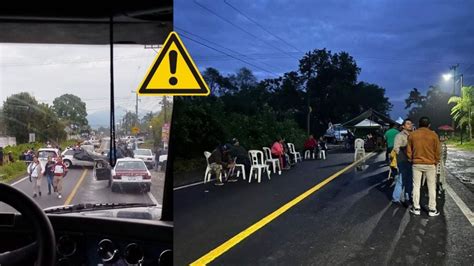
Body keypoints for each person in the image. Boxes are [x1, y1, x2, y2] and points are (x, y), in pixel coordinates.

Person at [407, 117, 441, 217]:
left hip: (416, 164)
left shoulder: (412, 135)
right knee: (431, 187)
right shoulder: (434, 135)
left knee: (416, 186)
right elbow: (437, 151)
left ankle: (416, 208)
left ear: (418, 124)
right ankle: (432, 209)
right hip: (430, 164)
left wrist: (411, 159)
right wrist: (436, 161)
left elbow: (409, 150)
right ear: (429, 125)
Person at [392, 119, 413, 206]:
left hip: (411, 160)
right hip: (403, 160)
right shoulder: (399, 135)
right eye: (408, 124)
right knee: (401, 179)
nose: (410, 125)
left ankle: (408, 197)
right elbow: (396, 148)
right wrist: (405, 149)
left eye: (411, 124)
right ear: (403, 126)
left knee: (410, 179)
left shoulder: (413, 135)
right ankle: (396, 198)